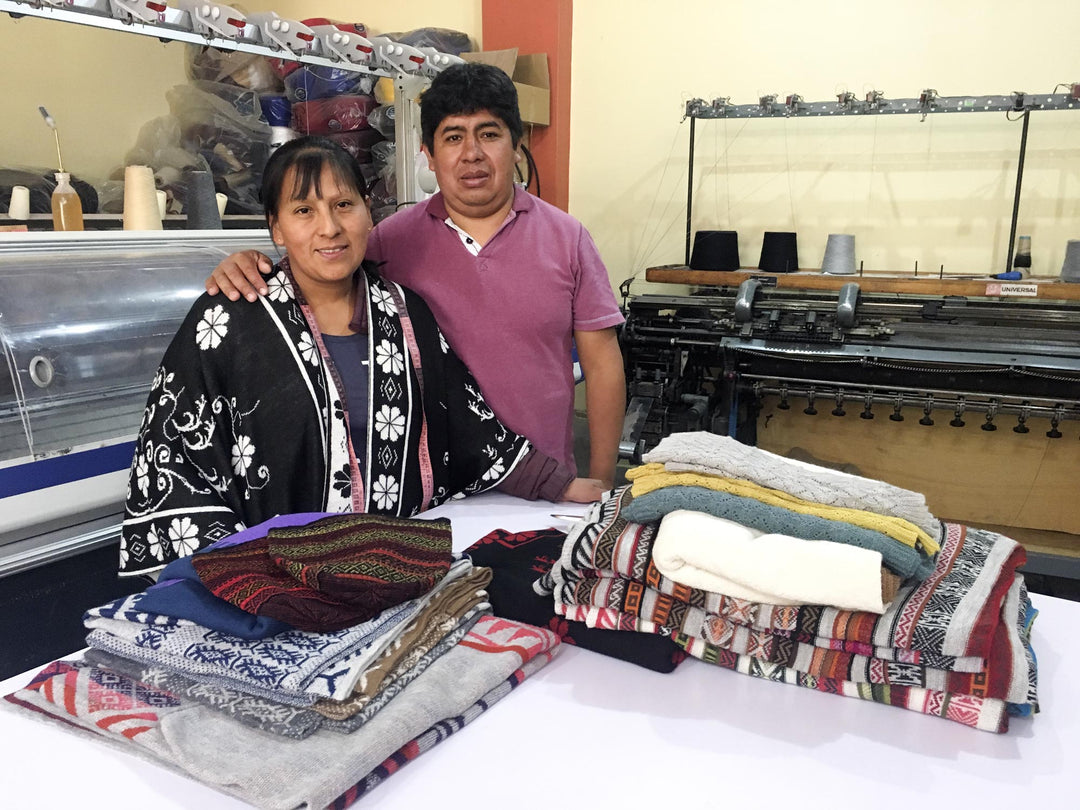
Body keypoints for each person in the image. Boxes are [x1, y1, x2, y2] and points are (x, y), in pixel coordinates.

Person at [120, 136, 603, 578]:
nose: (329, 228)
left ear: (368, 213)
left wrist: (557, 484)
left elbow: (466, 421)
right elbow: (175, 460)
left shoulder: (405, 312)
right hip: (275, 581)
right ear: (276, 228)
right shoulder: (228, 320)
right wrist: (233, 580)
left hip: (400, 572)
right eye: (304, 211)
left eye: (343, 205)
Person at [206, 62, 626, 489]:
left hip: (547, 486)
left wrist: (603, 480)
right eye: (453, 137)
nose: (472, 153)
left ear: (517, 145)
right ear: (429, 153)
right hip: (429, 491)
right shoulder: (388, 243)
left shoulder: (567, 238)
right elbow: (315, 272)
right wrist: (249, 265)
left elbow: (603, 365)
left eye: (489, 134)